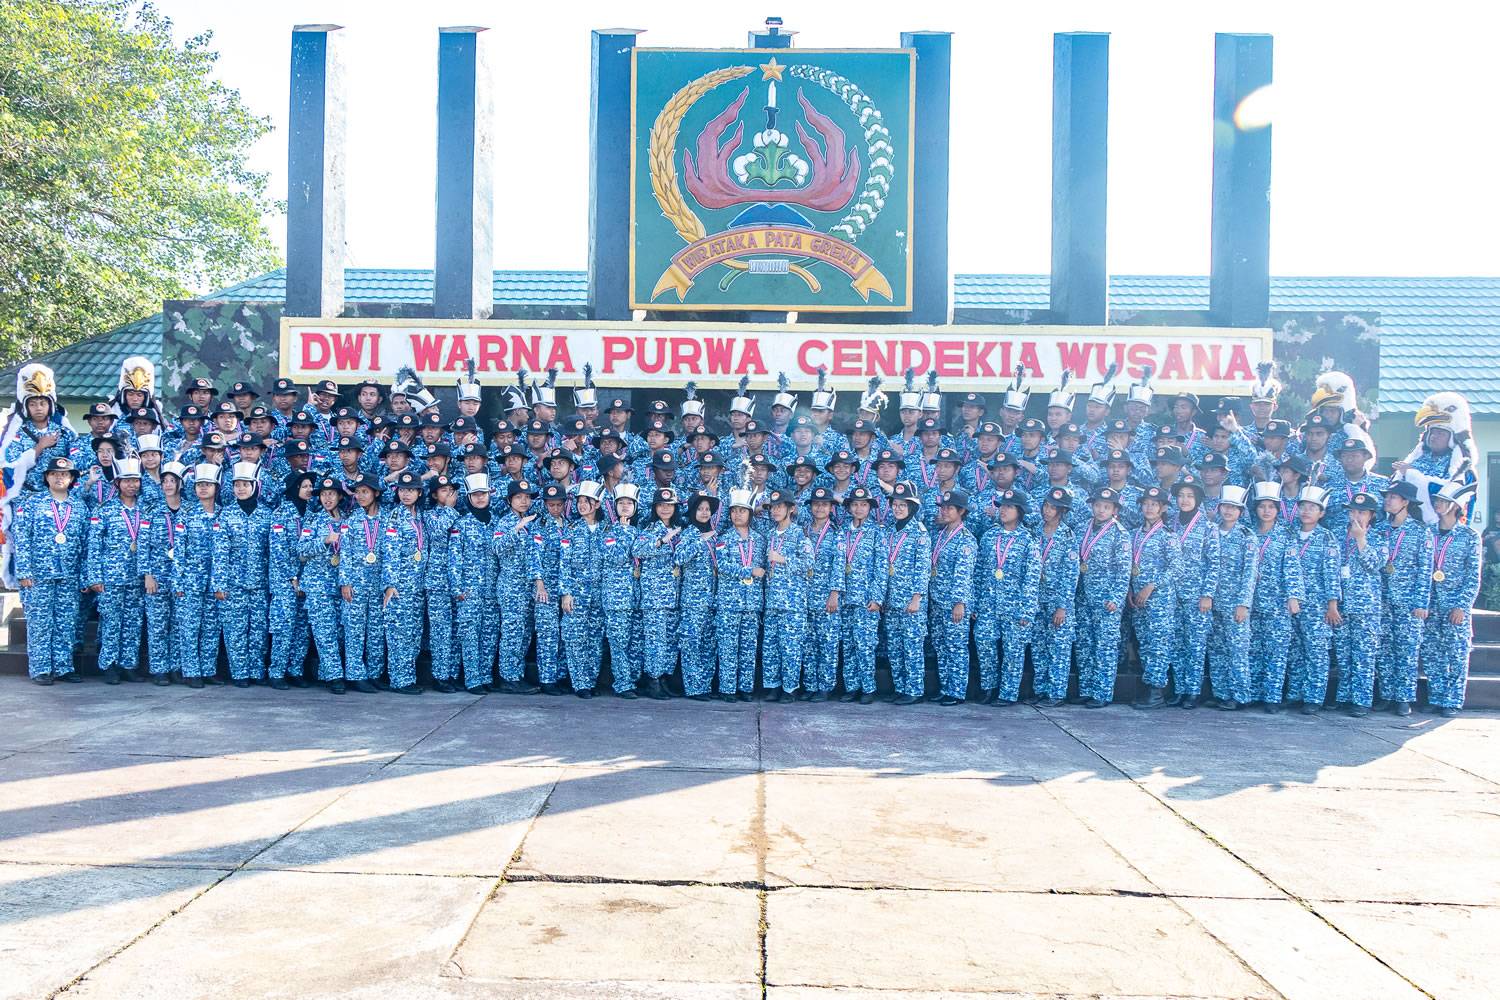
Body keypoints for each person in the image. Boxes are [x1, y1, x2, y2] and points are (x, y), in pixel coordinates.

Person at [14, 457, 87, 683]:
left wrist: (84, 576)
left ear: (71, 478)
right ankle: (41, 668)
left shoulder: (79, 506)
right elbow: (21, 538)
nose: (59, 478)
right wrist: (24, 571)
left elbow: (85, 544)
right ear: (47, 477)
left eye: (64, 474)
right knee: (40, 622)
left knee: (66, 621)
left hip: (69, 574)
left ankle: (63, 666)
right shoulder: (32, 503)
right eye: (54, 474)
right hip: (39, 574)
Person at [1421, 480, 1482, 716]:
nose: (1438, 504)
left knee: (1456, 653)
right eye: (1437, 500)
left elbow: (1473, 576)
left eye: (1444, 501)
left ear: (1455, 506)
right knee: (1432, 652)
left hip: (1454, 602)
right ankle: (1436, 697)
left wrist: (1462, 606)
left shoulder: (1469, 536)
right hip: (1431, 603)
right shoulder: (1428, 531)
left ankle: (1453, 700)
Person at [85, 457, 147, 684]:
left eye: (135, 481)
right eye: (127, 481)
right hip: (111, 575)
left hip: (137, 575)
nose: (132, 485)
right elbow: (94, 546)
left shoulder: (146, 509)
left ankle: (128, 665)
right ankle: (109, 665)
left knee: (133, 621)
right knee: (111, 622)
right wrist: (94, 576)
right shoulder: (105, 509)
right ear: (118, 483)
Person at [1374, 481, 1432, 715]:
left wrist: (1421, 602)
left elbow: (1425, 569)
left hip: (1408, 601)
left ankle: (1404, 698)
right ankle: (1387, 694)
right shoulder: (1379, 528)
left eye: (1393, 497)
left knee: (1407, 649)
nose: (1387, 500)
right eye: (1387, 496)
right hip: (1382, 599)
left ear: (1406, 502)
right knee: (1384, 648)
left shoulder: (1420, 531)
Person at [1248, 482, 1305, 712]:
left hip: (1277, 601)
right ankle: (1253, 694)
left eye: (1271, 507)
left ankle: (1272, 697)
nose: (1266, 511)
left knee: (1276, 650)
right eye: (1262, 506)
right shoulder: (1248, 531)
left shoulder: (1285, 534)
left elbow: (1292, 566)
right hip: (1251, 599)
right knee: (1253, 648)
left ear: (1277, 510)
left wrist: (1293, 595)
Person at [1285, 486, 1342, 714]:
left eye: (1312, 508)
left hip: (1317, 604)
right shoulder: (1290, 533)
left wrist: (1332, 604)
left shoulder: (1327, 538)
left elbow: (1332, 574)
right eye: (1303, 506)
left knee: (1316, 651)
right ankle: (1295, 694)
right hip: (1291, 602)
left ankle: (1314, 697)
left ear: (1321, 513)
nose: (1306, 511)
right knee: (1295, 650)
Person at [1074, 487, 1130, 708]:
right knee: (1084, 644)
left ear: (1114, 510)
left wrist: (1116, 598)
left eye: (1106, 507)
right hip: (1083, 595)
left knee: (1105, 646)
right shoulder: (1082, 528)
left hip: (1106, 597)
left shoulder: (1120, 533)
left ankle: (1102, 692)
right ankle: (1086, 689)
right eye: (1097, 505)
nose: (1101, 510)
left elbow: (1123, 570)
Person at [1168, 476, 1219, 709]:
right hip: (1171, 594)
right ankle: (1179, 689)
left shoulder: (1208, 527)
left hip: (1197, 595)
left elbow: (1214, 563)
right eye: (1181, 495)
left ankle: (1193, 691)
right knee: (1176, 642)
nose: (1185, 500)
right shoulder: (1169, 523)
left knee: (1195, 644)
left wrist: (1207, 594)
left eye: (1190, 496)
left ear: (1198, 499)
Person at [1334, 492, 1386, 716]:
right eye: (1353, 511)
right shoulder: (1337, 534)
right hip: (1341, 602)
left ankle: (1362, 700)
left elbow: (1375, 564)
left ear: (1371, 515)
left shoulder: (1379, 537)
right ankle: (1345, 696)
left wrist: (1360, 539)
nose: (1356, 516)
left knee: (1364, 655)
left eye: (1362, 512)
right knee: (1343, 653)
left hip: (1366, 605)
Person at [175, 465, 227, 688]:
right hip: (191, 579)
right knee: (189, 627)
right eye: (199, 485)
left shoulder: (224, 514)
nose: (203, 489)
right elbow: (178, 550)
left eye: (207, 485)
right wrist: (178, 581)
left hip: (215, 579)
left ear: (216, 487)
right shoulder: (186, 513)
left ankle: (208, 669)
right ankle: (191, 671)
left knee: (211, 626)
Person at [1206, 485, 1257, 710]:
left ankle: (1240, 695)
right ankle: (1221, 693)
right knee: (1216, 649)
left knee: (1237, 650)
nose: (1228, 511)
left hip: (1235, 602)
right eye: (1225, 506)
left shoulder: (1247, 536)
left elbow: (1250, 572)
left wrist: (1244, 603)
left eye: (1234, 508)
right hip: (1212, 600)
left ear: (1241, 511)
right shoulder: (1211, 531)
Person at [450, 473, 501, 694]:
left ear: (490, 495)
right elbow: (454, 557)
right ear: (469, 497)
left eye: (483, 494)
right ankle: (472, 679)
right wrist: (457, 588)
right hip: (469, 589)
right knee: (470, 634)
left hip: (492, 589)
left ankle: (486, 675)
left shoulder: (497, 523)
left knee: (490, 634)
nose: (480, 498)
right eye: (476, 495)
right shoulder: (461, 524)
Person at [299, 476, 350, 693]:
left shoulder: (348, 520)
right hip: (318, 586)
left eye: (331, 494)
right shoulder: (313, 520)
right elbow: (301, 551)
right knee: (324, 632)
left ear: (340, 496)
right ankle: (335, 677)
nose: (327, 498)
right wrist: (324, 541)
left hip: (341, 584)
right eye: (323, 494)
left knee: (340, 632)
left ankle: (327, 672)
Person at [761, 489, 813, 701]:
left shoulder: (799, 533)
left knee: (790, 647)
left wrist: (783, 559)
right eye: (773, 507)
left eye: (780, 507)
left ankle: (789, 688)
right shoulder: (770, 535)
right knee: (770, 646)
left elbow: (809, 563)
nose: (775, 511)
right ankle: (773, 685)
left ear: (791, 509)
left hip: (792, 601)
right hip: (772, 600)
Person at [633, 487, 684, 699]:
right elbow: (637, 550)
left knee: (670, 640)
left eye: (669, 505)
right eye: (661, 505)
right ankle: (652, 680)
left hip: (674, 594)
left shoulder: (680, 529)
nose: (665, 509)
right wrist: (661, 541)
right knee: (655, 640)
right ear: (655, 508)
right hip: (655, 595)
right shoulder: (650, 530)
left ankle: (664, 677)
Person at [713, 488, 764, 702]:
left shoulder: (760, 539)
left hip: (752, 602)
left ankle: (745, 687)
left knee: (748, 647)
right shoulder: (724, 539)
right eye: (734, 511)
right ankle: (727, 688)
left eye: (742, 511)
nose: (737, 515)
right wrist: (748, 571)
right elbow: (722, 566)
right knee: (728, 647)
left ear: (750, 513)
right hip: (729, 602)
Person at [493, 480, 543, 695]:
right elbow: (497, 548)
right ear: (509, 500)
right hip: (511, 587)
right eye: (519, 497)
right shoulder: (505, 522)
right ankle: (508, 677)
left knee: (524, 634)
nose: (524, 501)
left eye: (527, 497)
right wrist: (516, 529)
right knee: (512, 633)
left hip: (528, 588)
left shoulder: (532, 522)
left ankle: (517, 674)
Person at [928, 488, 977, 705]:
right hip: (938, 599)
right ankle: (945, 686)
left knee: (956, 646)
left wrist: (959, 603)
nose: (945, 511)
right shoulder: (940, 535)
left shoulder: (965, 540)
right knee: (941, 645)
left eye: (950, 508)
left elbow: (963, 575)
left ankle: (956, 691)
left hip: (953, 602)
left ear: (961, 511)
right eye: (943, 508)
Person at [883, 482, 931, 705]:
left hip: (911, 600)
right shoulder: (890, 531)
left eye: (903, 505)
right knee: (894, 646)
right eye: (895, 504)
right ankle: (900, 687)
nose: (898, 508)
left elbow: (923, 568)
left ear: (912, 507)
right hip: (892, 598)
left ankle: (914, 690)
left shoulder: (920, 533)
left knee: (912, 646)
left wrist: (917, 598)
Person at [267, 471, 316, 689]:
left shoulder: (312, 514)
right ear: (294, 488)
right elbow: (277, 550)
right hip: (285, 581)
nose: (309, 490)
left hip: (308, 579)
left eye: (310, 486)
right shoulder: (280, 514)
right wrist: (292, 577)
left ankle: (295, 670)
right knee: (283, 627)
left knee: (302, 628)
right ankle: (277, 672)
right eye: (305, 486)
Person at [836, 486, 885, 703]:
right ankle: (852, 686)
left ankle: (868, 688)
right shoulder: (842, 531)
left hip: (866, 598)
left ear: (870, 508)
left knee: (865, 644)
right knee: (848, 644)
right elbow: (838, 564)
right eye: (855, 504)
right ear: (849, 508)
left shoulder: (877, 532)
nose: (858, 508)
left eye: (863, 504)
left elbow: (881, 567)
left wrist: (877, 598)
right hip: (846, 598)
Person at [339, 475, 386, 692]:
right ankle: (356, 674)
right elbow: (345, 553)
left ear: (376, 493)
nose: (360, 496)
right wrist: (345, 582)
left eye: (365, 491)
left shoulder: (387, 518)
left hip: (378, 584)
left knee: (376, 630)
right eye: (357, 492)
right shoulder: (351, 520)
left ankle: (374, 673)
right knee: (354, 630)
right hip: (356, 583)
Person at [676, 492, 720, 700]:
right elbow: (679, 557)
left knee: (708, 644)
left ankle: (705, 685)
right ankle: (694, 687)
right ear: (693, 511)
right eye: (700, 509)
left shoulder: (715, 534)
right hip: (693, 600)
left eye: (707, 509)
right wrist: (699, 541)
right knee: (691, 643)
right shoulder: (689, 534)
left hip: (713, 599)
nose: (704, 513)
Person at [601, 483, 643, 697]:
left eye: (629, 503)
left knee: (635, 643)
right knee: (619, 642)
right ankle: (623, 683)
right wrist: (624, 531)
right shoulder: (610, 531)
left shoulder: (639, 531)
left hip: (636, 596)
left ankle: (633, 680)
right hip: (617, 597)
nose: (625, 506)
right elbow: (616, 557)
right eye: (621, 503)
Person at [531, 483, 571, 695]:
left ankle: (561, 675)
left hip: (565, 587)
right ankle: (547, 679)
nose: (555, 508)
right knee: (548, 633)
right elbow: (534, 556)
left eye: (558, 504)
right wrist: (539, 584)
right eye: (551, 505)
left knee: (565, 633)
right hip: (546, 587)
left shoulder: (570, 525)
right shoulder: (540, 525)